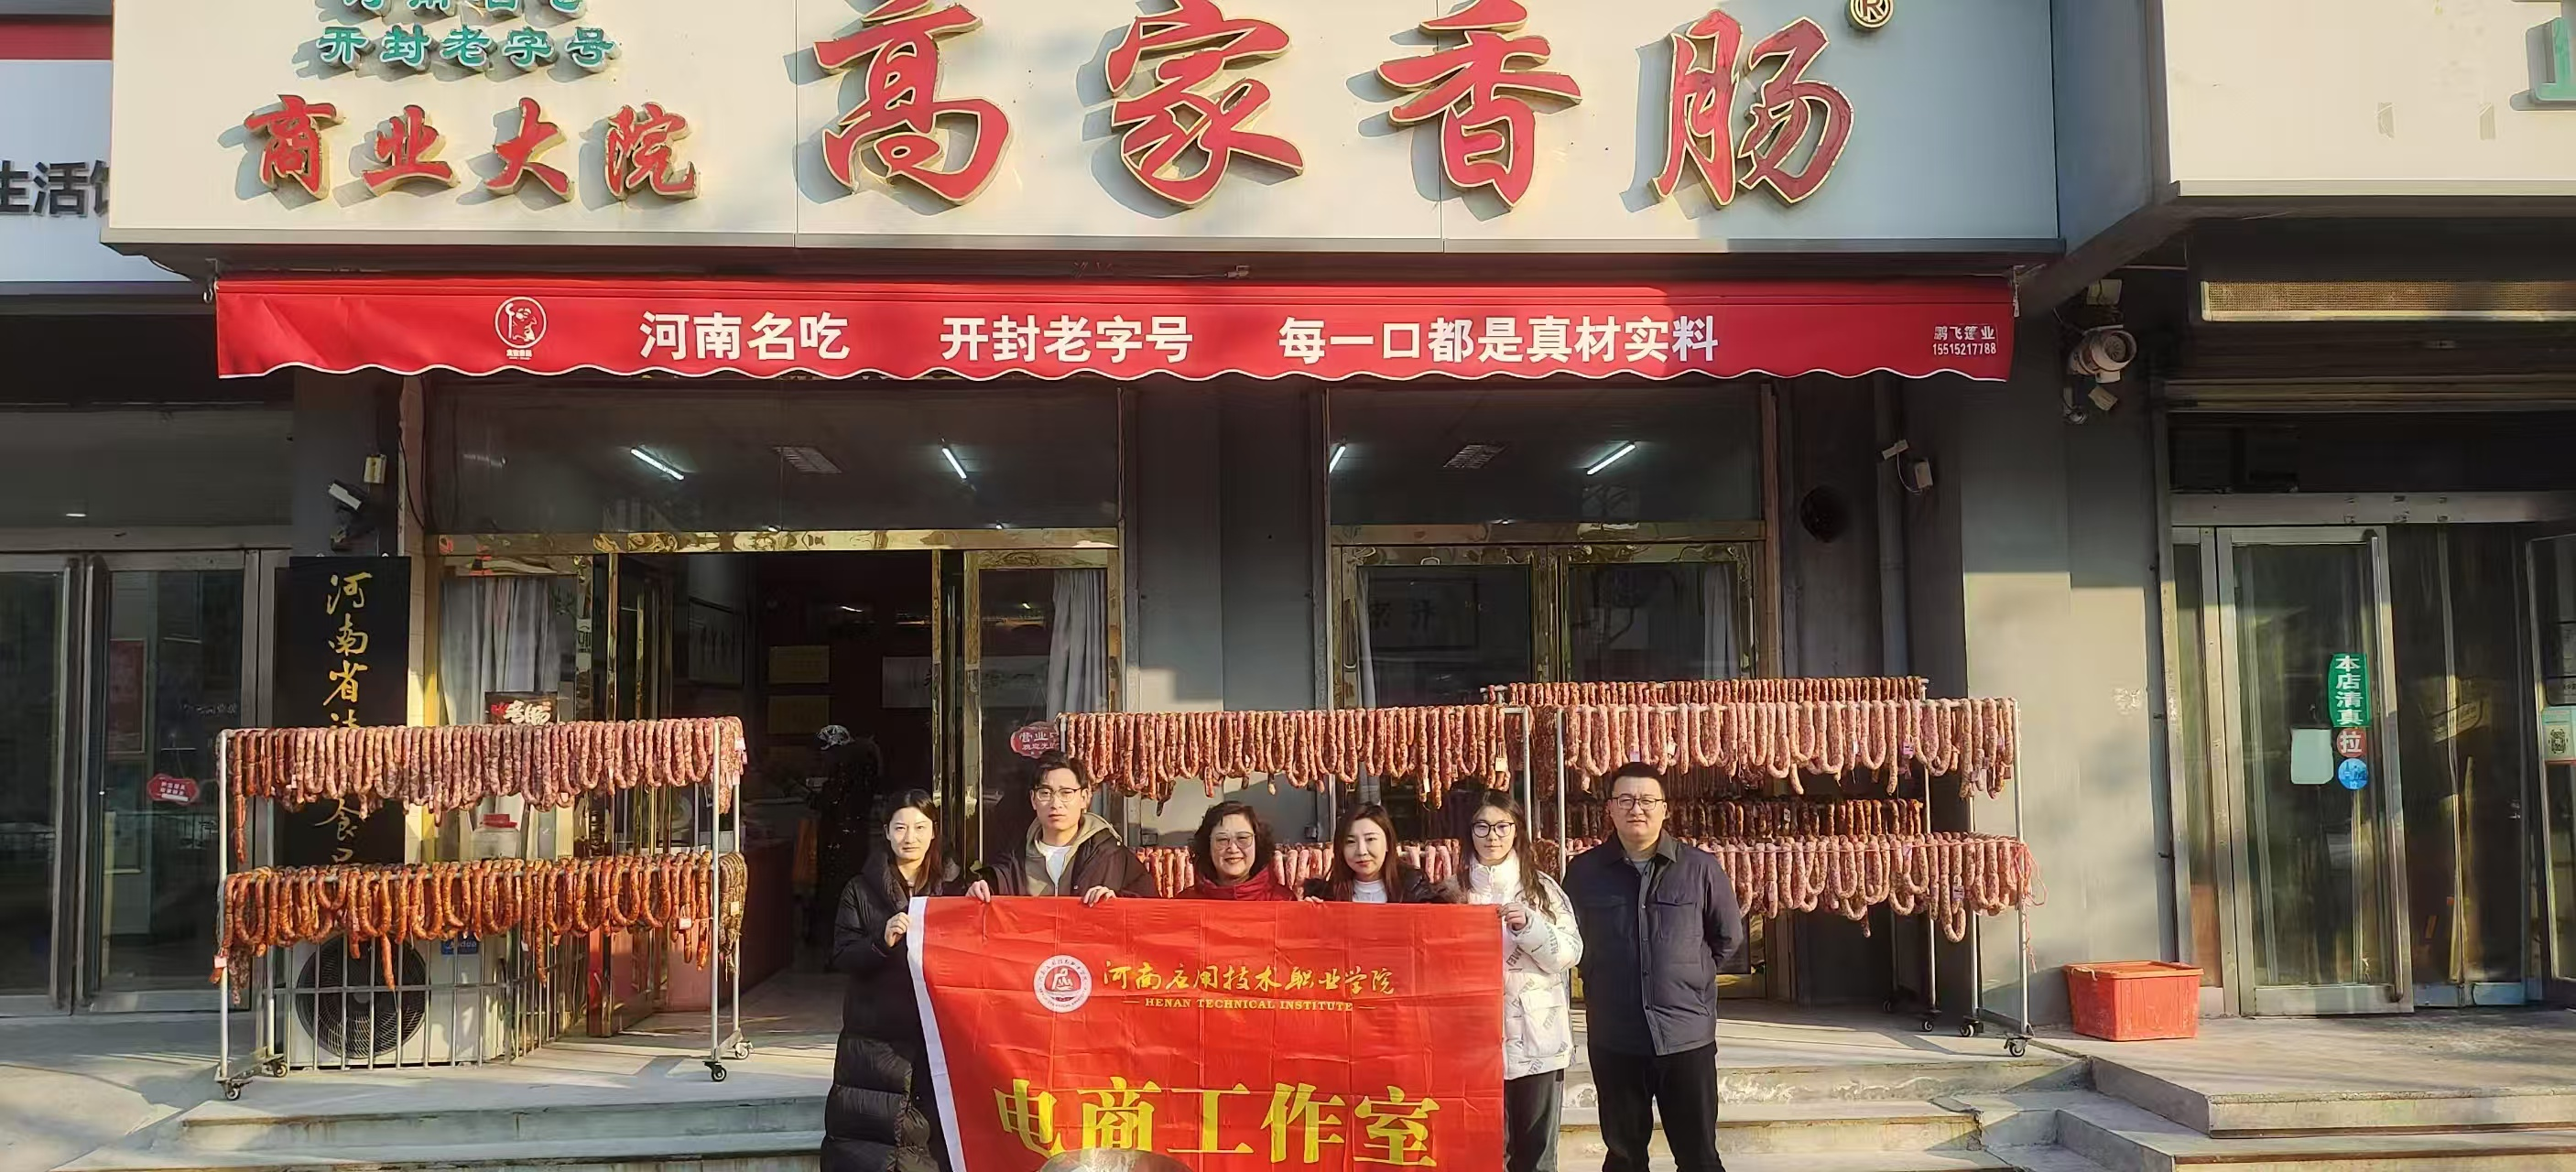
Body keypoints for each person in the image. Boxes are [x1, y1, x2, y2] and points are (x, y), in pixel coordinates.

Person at [1564, 764, 1747, 1172]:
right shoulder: (1584, 872)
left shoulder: (1699, 868)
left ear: (1665, 808)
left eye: (1647, 800)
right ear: (1610, 808)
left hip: (1686, 1037)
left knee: (1699, 1156)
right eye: (1626, 800)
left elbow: (1728, 937)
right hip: (1616, 1037)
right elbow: (1569, 940)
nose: (1637, 809)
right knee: (1624, 1157)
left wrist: (1688, 979)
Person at [825, 790, 959, 1172]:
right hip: (874, 1038)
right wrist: (880, 941)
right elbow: (842, 955)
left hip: (933, 1034)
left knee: (929, 1142)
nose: (909, 837)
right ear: (886, 831)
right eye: (900, 828)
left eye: (919, 827)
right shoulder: (859, 889)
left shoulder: (954, 888)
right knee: (869, 1143)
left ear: (934, 832)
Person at [1456, 789, 1582, 1172]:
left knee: (1536, 1156)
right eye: (1482, 827)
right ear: (1469, 833)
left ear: (1517, 831)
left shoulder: (1542, 890)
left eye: (1502, 826)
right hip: (1469, 1044)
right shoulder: (1451, 893)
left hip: (1537, 1042)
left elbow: (1570, 952)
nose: (1492, 836)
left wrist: (1531, 927)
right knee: (1479, 1155)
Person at [968, 752, 1156, 903]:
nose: (1055, 804)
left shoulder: (1111, 856)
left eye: (1066, 793)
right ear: (1033, 800)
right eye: (1045, 793)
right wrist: (978, 892)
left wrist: (1118, 901)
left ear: (1084, 798)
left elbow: (1151, 910)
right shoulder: (1013, 862)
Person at [1304, 804, 1450, 904]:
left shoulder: (1415, 890)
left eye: (1370, 839)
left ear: (1387, 843)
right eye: (1350, 842)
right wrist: (1308, 916)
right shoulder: (1325, 895)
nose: (1361, 851)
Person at [1178, 800, 1297, 900]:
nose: (1233, 849)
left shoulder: (1284, 901)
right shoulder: (1184, 904)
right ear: (1207, 846)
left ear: (1257, 843)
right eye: (1222, 839)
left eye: (1242, 838)